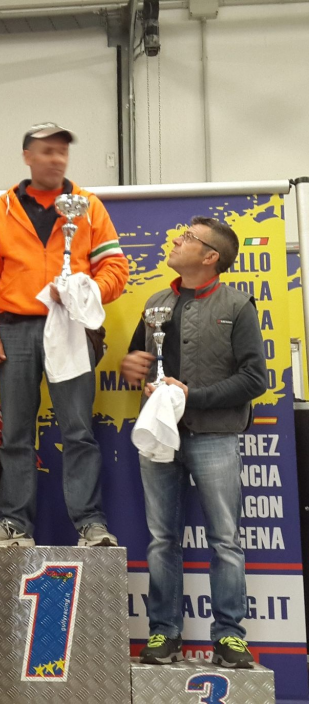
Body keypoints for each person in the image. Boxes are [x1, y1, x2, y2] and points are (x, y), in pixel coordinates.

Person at [0, 123, 129, 548]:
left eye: (62, 151)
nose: (56, 159)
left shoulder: (88, 207)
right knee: (15, 433)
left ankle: (91, 525)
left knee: (78, 430)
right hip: (15, 328)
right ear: (27, 156)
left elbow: (116, 269)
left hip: (73, 327)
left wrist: (83, 290)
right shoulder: (1, 210)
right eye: (47, 151)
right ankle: (15, 524)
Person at [121, 216, 266, 668]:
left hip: (216, 436)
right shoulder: (156, 303)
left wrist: (192, 396)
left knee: (225, 540)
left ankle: (230, 637)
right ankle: (164, 632)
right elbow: (140, 361)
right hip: (161, 436)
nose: (176, 240)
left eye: (187, 238)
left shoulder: (237, 305)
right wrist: (134, 369)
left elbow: (255, 378)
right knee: (162, 539)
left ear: (210, 257)